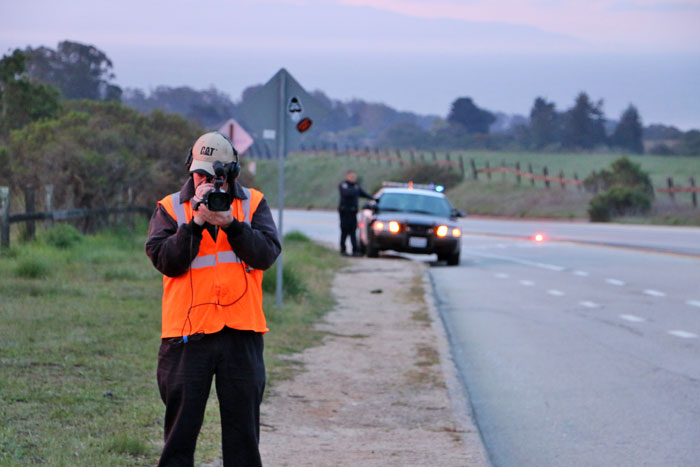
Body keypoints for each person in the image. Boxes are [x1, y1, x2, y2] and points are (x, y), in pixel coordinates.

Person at [145, 131, 281, 466]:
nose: (206, 181)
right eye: (200, 173)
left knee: (243, 437)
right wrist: (195, 224)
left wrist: (233, 225)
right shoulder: (171, 207)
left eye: (214, 175)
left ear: (231, 173)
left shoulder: (251, 203)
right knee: (180, 436)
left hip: (242, 332)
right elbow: (166, 261)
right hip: (187, 334)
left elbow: (266, 254)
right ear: (190, 168)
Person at [338, 170, 373, 256]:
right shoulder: (344, 185)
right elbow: (347, 193)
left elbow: (363, 193)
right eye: (352, 177)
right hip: (345, 213)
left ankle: (355, 251)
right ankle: (343, 250)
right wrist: (356, 190)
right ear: (347, 176)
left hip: (353, 213)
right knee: (344, 232)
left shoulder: (356, 186)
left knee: (353, 232)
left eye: (354, 177)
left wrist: (372, 198)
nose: (353, 178)